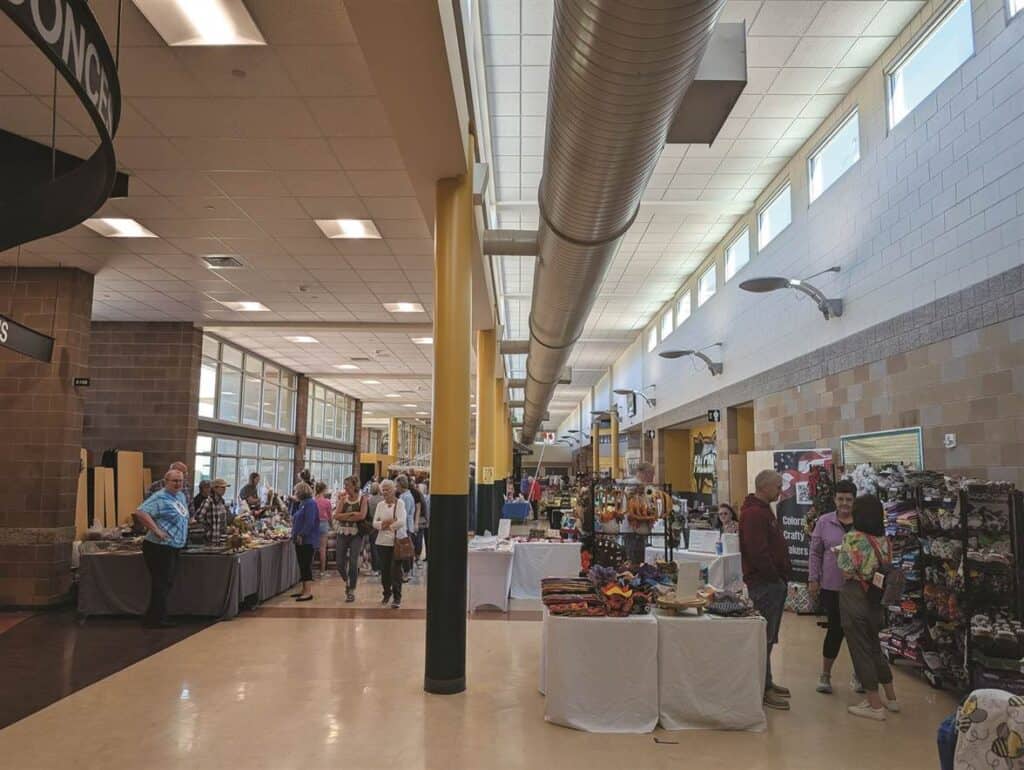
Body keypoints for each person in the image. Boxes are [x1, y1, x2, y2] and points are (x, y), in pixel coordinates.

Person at [837, 494, 899, 721]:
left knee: (860, 649)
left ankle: (874, 705)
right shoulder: (884, 540)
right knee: (875, 646)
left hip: (855, 595)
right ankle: (891, 699)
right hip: (877, 597)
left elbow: (845, 570)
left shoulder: (852, 538)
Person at [739, 469, 791, 711]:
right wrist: (773, 576)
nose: (780, 491)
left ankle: (767, 681)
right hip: (764, 584)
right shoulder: (753, 514)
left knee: (769, 637)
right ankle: (761, 688)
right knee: (764, 637)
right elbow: (757, 552)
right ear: (764, 487)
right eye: (778, 487)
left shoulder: (763, 511)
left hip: (772, 582)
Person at [808, 479, 860, 695]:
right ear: (834, 499)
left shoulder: (862, 522)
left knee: (858, 632)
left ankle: (860, 676)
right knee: (835, 630)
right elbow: (815, 552)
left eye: (848, 499)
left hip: (858, 587)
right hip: (831, 586)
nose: (844, 503)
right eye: (841, 499)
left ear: (854, 501)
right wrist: (814, 579)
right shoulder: (824, 522)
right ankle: (825, 675)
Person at [132, 469, 190, 628]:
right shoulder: (160, 497)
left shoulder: (180, 496)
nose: (178, 484)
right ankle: (157, 619)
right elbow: (140, 512)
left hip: (174, 546)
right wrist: (156, 530)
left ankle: (154, 616)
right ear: (166, 482)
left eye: (180, 480)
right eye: (174, 481)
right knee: (161, 583)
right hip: (159, 547)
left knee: (167, 582)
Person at [333, 475, 369, 602]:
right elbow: (336, 515)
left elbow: (362, 516)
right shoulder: (343, 499)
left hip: (356, 534)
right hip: (342, 532)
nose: (345, 488)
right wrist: (351, 514)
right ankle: (347, 580)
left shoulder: (363, 499)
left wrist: (345, 516)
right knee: (339, 562)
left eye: (347, 485)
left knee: (354, 561)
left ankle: (351, 589)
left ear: (354, 486)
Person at [373, 479, 407, 609]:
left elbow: (401, 521)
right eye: (384, 489)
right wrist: (386, 523)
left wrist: (387, 525)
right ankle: (386, 593)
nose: (385, 491)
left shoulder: (400, 503)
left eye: (388, 489)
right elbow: (375, 523)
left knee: (396, 571)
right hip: (382, 542)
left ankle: (397, 597)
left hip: (396, 542)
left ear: (394, 490)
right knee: (385, 570)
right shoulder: (380, 505)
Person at [290, 482, 319, 602]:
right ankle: (303, 589)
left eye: (296, 491)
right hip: (300, 540)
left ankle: (308, 591)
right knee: (302, 565)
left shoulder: (310, 504)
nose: (295, 494)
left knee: (306, 565)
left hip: (307, 540)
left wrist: (302, 534)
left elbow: (310, 522)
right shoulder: (302, 504)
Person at [195, 478, 230, 546]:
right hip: (210, 540)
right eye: (222, 487)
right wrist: (208, 528)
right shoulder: (208, 501)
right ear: (214, 488)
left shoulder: (221, 502)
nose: (224, 490)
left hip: (220, 539)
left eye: (225, 488)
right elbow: (198, 517)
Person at [396, 475, 418, 578]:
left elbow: (405, 512)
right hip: (405, 526)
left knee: (406, 549)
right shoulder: (403, 496)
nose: (396, 487)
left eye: (397, 485)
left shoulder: (406, 497)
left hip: (407, 527)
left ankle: (407, 571)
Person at [314, 482, 332, 577]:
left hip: (314, 524)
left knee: (312, 548)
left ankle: (310, 570)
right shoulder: (327, 502)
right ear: (324, 490)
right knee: (322, 549)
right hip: (324, 524)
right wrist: (332, 525)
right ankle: (322, 571)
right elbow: (330, 516)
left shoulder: (313, 501)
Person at [416, 481, 430, 563]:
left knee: (426, 539)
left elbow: (426, 511)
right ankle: (427, 556)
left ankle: (428, 556)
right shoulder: (425, 497)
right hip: (425, 521)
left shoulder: (426, 498)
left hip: (425, 522)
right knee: (425, 539)